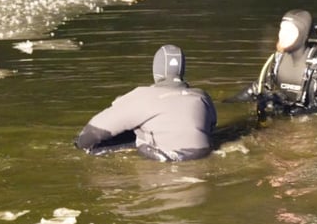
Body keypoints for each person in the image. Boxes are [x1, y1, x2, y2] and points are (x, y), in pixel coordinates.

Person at [75, 44, 216, 160]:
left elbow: (91, 134)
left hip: (164, 160)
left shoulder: (141, 96)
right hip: (202, 154)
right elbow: (211, 125)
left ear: (157, 71)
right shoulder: (201, 96)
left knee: (94, 148)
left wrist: (79, 144)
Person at [248, 9, 317, 116]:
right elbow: (254, 89)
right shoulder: (277, 60)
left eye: (290, 31)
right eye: (282, 29)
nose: (283, 35)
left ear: (303, 35)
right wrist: (230, 103)